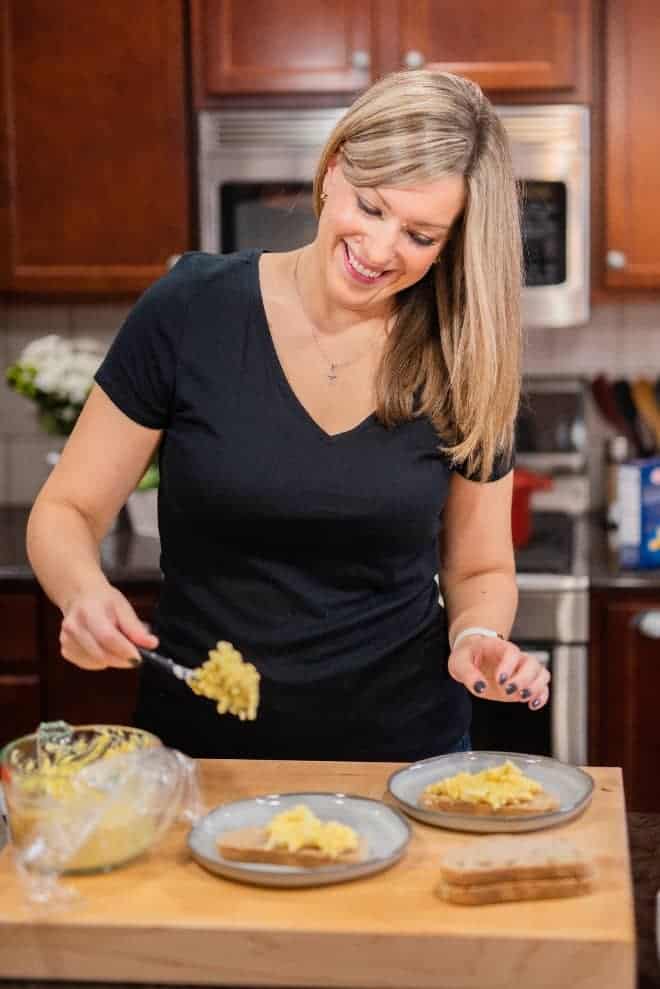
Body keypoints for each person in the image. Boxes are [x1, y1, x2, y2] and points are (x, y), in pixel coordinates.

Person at [26, 69, 550, 762]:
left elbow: (481, 567)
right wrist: (83, 592)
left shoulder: (466, 355)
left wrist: (476, 637)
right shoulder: (190, 311)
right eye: (370, 206)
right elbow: (66, 508)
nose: (382, 248)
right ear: (333, 168)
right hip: (202, 755)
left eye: (421, 236)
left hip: (402, 762)